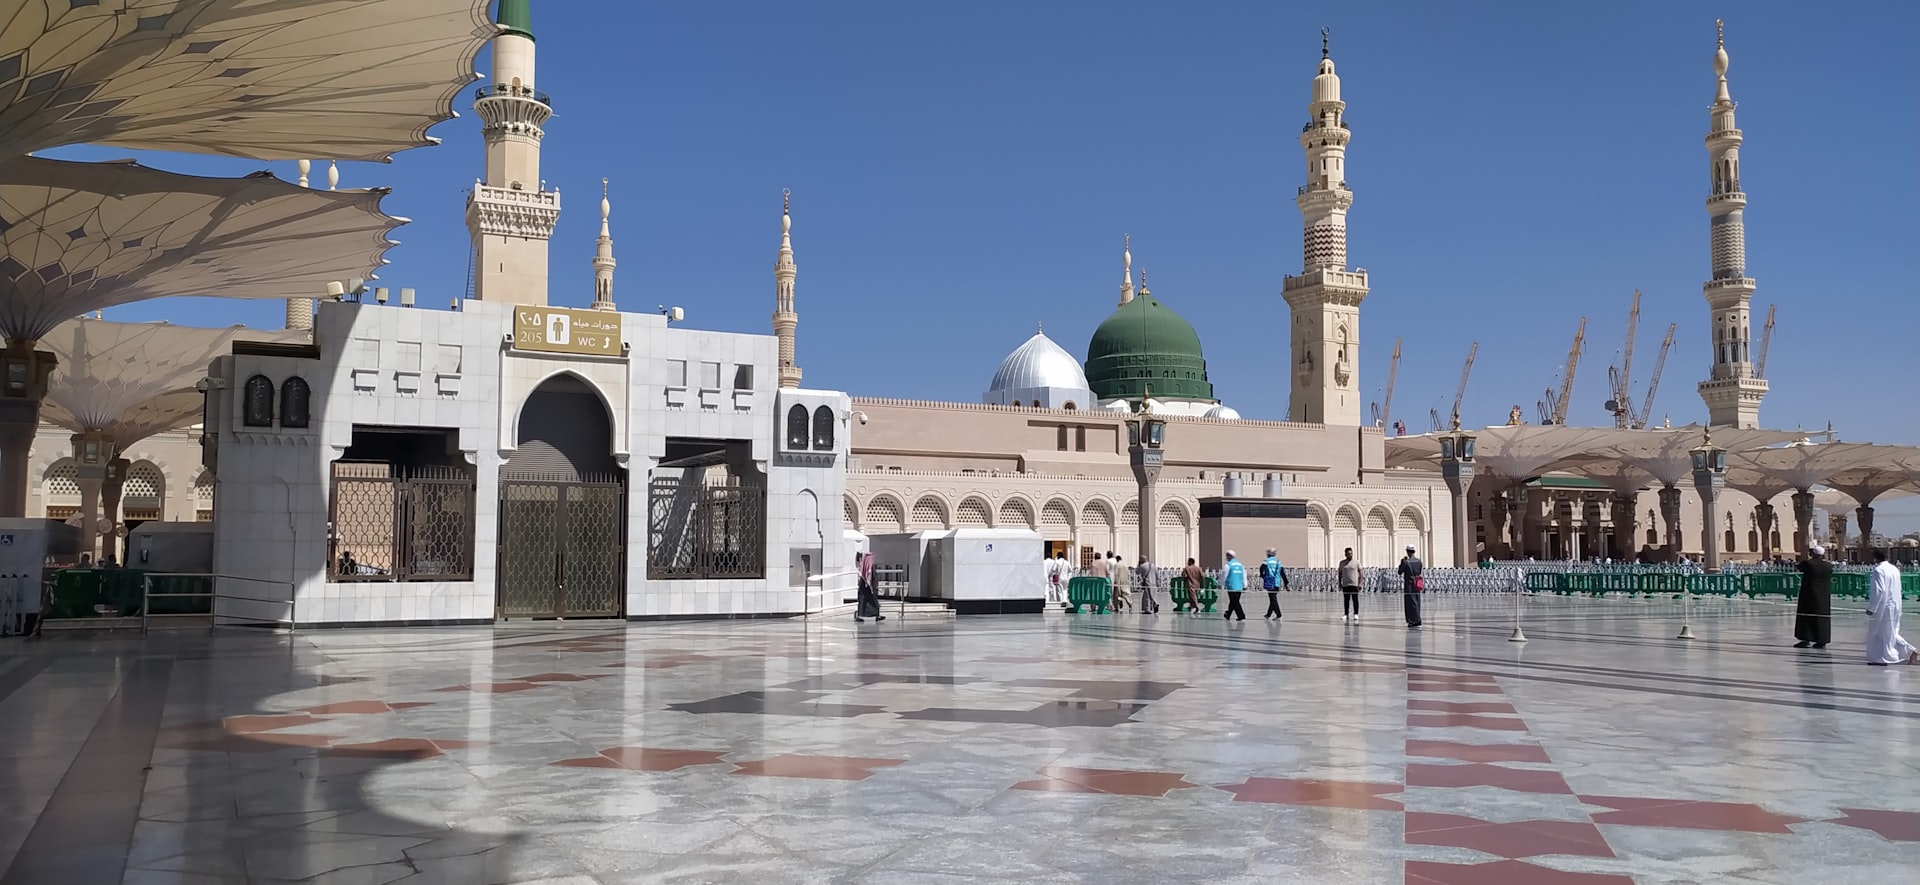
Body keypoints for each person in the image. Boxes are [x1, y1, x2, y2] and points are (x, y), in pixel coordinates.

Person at [1865, 548, 1917, 666]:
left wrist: (1872, 608)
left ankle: (1885, 657)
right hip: (1895, 604)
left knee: (1882, 632)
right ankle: (1909, 650)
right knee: (1890, 631)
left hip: (1884, 606)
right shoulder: (1894, 569)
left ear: (1875, 558)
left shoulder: (1879, 570)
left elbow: (1879, 591)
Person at [1793, 544, 1832, 649]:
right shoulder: (1828, 565)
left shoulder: (1808, 563)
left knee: (1806, 617)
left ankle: (1806, 639)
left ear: (1813, 553)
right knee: (1822, 618)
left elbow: (1798, 567)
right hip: (1823, 595)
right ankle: (1822, 641)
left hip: (1809, 594)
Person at [1397, 545, 1424, 628]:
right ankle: (1417, 618)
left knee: (1409, 603)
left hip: (1409, 584)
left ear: (1408, 552)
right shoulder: (1419, 561)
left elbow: (1400, 572)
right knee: (1417, 601)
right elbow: (1419, 571)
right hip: (1417, 583)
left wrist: (1402, 563)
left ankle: (1412, 620)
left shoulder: (1406, 562)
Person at [854, 552, 885, 622]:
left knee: (868, 602)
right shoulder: (869, 566)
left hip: (866, 587)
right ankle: (874, 615)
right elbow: (870, 576)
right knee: (871, 601)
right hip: (869, 587)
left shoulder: (864, 566)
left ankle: (872, 615)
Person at [1260, 548, 1289, 620]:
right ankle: (1268, 614)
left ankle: (1279, 615)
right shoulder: (1278, 562)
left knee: (1273, 599)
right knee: (1273, 598)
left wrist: (1263, 576)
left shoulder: (1266, 561)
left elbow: (1261, 568)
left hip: (1270, 582)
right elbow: (1282, 573)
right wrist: (1286, 583)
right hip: (1277, 583)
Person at [1222, 550, 1248, 621]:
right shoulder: (1240, 565)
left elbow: (1224, 576)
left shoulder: (1228, 565)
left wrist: (1221, 584)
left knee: (1235, 601)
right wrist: (1245, 585)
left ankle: (1241, 615)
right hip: (1239, 586)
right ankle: (1228, 614)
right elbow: (1244, 575)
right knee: (1233, 601)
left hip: (1231, 586)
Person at [1338, 547, 1362, 623]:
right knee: (1346, 600)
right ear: (1345, 554)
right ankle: (1346, 614)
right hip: (1346, 584)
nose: (1350, 555)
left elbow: (1361, 573)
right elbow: (1340, 573)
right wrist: (1339, 583)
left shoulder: (1357, 562)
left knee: (1355, 599)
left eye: (1351, 553)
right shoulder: (1342, 563)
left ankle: (1356, 613)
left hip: (1354, 584)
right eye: (1348, 554)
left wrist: (1360, 583)